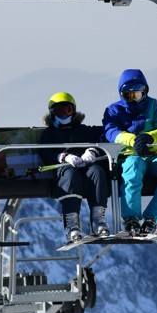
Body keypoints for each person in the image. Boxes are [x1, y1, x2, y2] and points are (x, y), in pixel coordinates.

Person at [102, 68, 157, 235]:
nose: (133, 100)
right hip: (130, 156)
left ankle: (152, 218)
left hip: (154, 155)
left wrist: (149, 138)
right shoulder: (114, 110)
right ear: (121, 94)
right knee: (133, 169)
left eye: (137, 94)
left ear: (144, 92)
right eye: (128, 96)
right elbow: (111, 132)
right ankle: (131, 219)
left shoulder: (153, 106)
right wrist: (131, 140)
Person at [40, 91, 112, 244]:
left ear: (74, 111)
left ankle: (97, 220)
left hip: (85, 166)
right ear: (52, 113)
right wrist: (64, 157)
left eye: (68, 110)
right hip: (64, 169)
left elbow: (101, 138)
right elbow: (45, 153)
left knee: (97, 172)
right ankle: (72, 225)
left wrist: (92, 150)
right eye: (60, 111)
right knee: (71, 175)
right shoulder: (49, 134)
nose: (64, 115)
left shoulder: (83, 130)